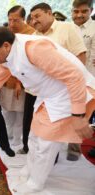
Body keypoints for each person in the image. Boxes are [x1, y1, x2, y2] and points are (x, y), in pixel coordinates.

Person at [0, 26, 95, 193]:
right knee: (34, 136)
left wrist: (78, 115)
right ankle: (30, 170)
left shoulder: (34, 49)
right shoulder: (6, 56)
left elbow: (74, 76)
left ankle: (36, 183)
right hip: (47, 95)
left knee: (45, 143)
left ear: (6, 45)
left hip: (66, 93)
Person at [30, 2, 87, 161]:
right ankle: (51, 158)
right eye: (32, 18)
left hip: (69, 85)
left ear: (49, 13)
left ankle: (74, 150)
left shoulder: (67, 28)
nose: (34, 21)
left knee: (73, 117)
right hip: (47, 89)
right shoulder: (34, 37)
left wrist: (75, 82)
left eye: (37, 16)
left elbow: (80, 55)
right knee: (51, 123)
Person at [4, 5, 35, 151]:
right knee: (7, 110)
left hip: (23, 82)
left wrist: (19, 82)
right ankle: (8, 136)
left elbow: (28, 61)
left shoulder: (32, 34)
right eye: (9, 20)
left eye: (15, 20)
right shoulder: (6, 33)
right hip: (6, 79)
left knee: (20, 112)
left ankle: (17, 140)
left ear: (23, 19)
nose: (12, 24)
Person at [72, 0, 95, 158]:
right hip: (69, 81)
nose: (79, 15)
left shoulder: (94, 29)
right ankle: (70, 148)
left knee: (87, 116)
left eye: (84, 11)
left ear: (91, 10)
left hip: (90, 80)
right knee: (71, 115)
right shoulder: (68, 28)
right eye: (76, 11)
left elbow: (93, 59)